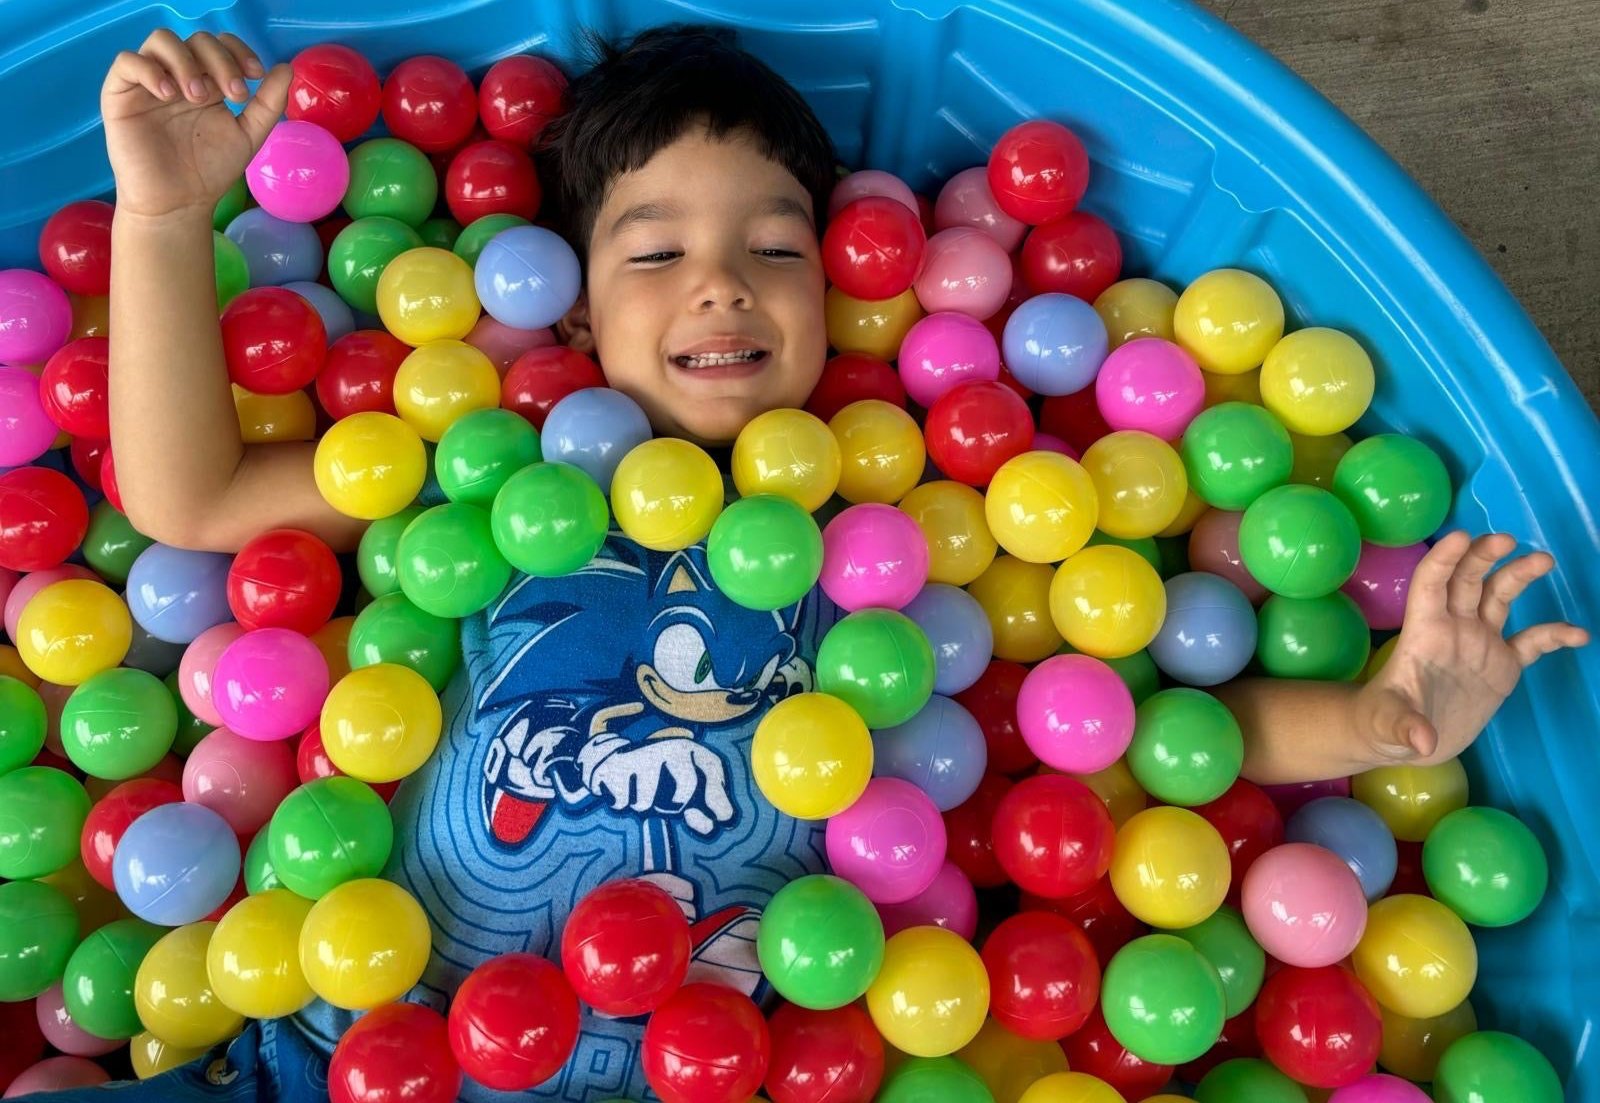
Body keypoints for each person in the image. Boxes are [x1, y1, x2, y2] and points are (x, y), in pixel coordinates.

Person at [79, 20, 1586, 1103]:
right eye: (656, 251)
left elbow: (1144, 727)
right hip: (344, 1053)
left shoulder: (912, 533)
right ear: (564, 305)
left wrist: (1384, 724)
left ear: (849, 278)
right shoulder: (497, 459)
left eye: (778, 246)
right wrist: (161, 215)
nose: (722, 280)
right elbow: (192, 495)